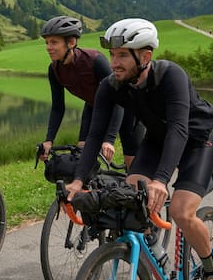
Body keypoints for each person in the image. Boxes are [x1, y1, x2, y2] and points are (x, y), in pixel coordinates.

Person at [66, 18, 213, 280]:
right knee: (132, 200)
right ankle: (154, 271)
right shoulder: (111, 86)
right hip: (156, 141)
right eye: (113, 54)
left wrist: (162, 180)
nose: (114, 61)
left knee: (180, 211)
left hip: (195, 140)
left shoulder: (171, 76)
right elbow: (94, 136)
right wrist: (78, 181)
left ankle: (212, 273)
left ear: (146, 56)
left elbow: (179, 128)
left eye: (123, 55)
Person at [39, 15, 139, 168]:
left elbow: (118, 99)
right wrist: (49, 140)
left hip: (126, 108)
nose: (48, 47)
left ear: (71, 42)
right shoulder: (54, 70)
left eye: (54, 42)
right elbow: (58, 107)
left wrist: (109, 140)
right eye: (47, 42)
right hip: (94, 107)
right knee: (81, 156)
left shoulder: (94, 60)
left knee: (133, 166)